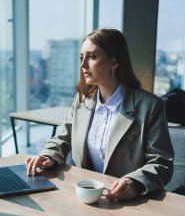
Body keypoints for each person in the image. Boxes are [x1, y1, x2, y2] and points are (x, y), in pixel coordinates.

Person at [26, 29, 174, 201]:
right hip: (85, 195)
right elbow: (62, 138)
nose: (83, 66)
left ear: (114, 62)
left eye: (92, 57)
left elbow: (162, 163)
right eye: (82, 58)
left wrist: (134, 182)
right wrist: (48, 156)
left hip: (126, 202)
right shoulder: (82, 101)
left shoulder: (150, 106)